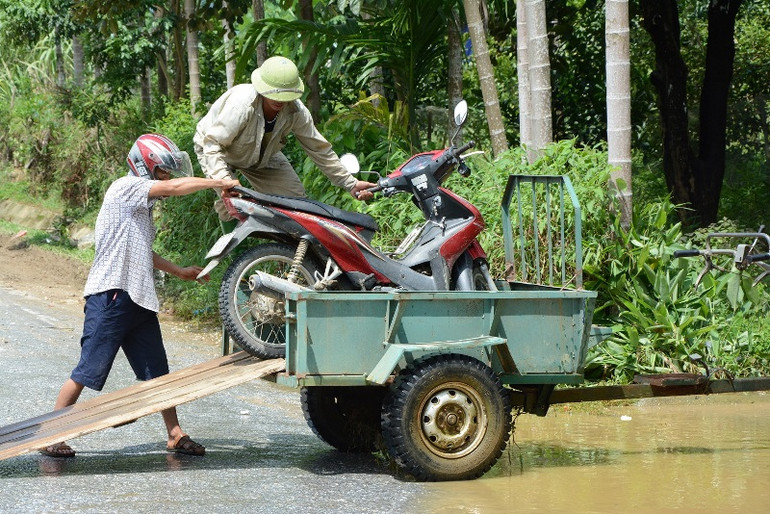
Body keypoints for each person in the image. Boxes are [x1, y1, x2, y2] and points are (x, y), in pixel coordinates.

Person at [41, 134, 240, 458]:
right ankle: (52, 434)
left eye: (168, 172)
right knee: (86, 371)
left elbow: (142, 252)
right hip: (111, 296)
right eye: (163, 171)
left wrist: (179, 271)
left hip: (138, 300)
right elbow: (175, 189)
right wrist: (216, 181)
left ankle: (175, 434)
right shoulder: (125, 187)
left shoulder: (141, 208)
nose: (168, 178)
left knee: (158, 373)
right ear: (145, 167)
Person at [194, 55, 375, 218]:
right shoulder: (241, 105)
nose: (280, 100)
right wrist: (225, 182)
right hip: (216, 150)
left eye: (286, 95)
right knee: (233, 205)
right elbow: (212, 143)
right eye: (275, 94)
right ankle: (235, 252)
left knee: (297, 206)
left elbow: (319, 150)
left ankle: (291, 253)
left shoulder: (296, 111)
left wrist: (350, 183)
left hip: (262, 156)